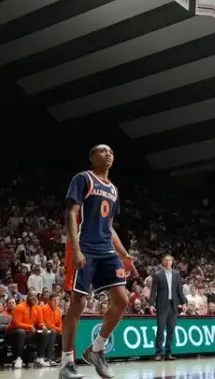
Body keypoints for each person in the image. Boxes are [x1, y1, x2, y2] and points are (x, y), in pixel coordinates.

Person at [60, 145, 133, 379]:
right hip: (86, 248)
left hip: (107, 251)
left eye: (112, 151)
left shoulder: (113, 189)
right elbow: (72, 214)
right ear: (92, 157)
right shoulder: (83, 178)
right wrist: (76, 249)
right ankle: (67, 363)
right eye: (103, 151)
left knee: (122, 300)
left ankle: (96, 349)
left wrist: (124, 254)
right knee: (78, 304)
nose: (109, 153)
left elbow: (109, 226)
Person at [148, 255, 186, 361]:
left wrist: (184, 303)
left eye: (170, 260)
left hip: (173, 305)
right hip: (162, 305)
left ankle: (168, 352)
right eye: (166, 260)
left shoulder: (176, 274)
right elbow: (153, 291)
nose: (168, 262)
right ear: (163, 262)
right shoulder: (157, 274)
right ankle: (158, 352)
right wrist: (151, 304)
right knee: (160, 330)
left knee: (171, 330)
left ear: (172, 262)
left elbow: (179, 290)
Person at [8, 289, 52, 367]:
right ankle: (18, 359)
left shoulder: (38, 308)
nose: (34, 297)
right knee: (21, 332)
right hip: (14, 333)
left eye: (35, 296)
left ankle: (40, 358)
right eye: (32, 296)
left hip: (30, 333)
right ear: (27, 297)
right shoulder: (19, 307)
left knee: (45, 332)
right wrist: (30, 326)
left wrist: (43, 326)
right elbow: (16, 324)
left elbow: (40, 322)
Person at [42, 293, 64, 365]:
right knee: (53, 332)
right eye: (54, 300)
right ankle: (49, 358)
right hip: (44, 330)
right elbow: (47, 324)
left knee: (65, 335)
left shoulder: (58, 310)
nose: (56, 302)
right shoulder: (45, 308)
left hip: (55, 330)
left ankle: (59, 357)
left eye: (57, 300)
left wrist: (61, 330)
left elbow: (60, 323)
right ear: (49, 301)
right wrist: (60, 330)